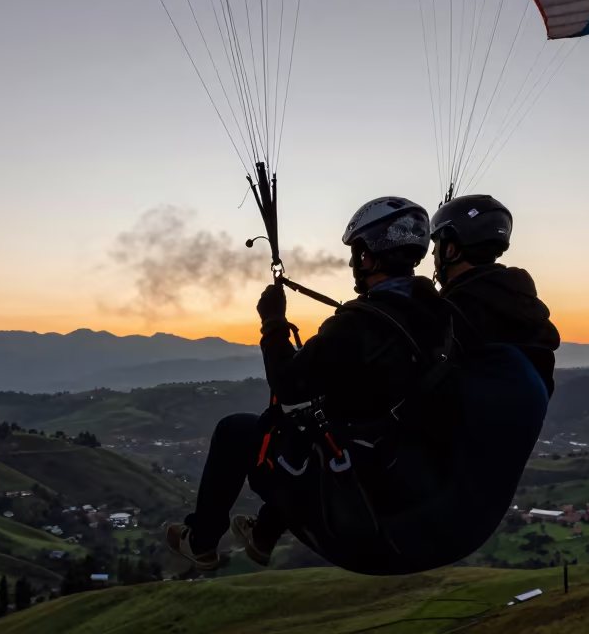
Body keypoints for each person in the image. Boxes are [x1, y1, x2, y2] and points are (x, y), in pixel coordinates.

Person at [166, 196, 448, 571]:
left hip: (349, 470)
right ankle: (264, 535)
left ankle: (200, 541)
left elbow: (287, 385)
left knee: (239, 430)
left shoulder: (357, 324)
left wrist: (273, 324)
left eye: (357, 253)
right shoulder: (437, 314)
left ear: (370, 257)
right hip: (395, 459)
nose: (352, 262)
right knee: (309, 428)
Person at [429, 194, 560, 394]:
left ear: (449, 249)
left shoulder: (451, 314)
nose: (433, 255)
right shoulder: (527, 309)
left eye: (436, 245)